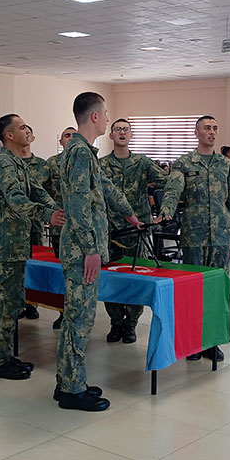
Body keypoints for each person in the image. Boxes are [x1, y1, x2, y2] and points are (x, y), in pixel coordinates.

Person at [57, 92, 139, 411]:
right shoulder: (80, 152)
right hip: (82, 251)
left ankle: (67, 380)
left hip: (80, 248)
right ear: (94, 116)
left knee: (75, 318)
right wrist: (91, 249)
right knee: (80, 319)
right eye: (105, 114)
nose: (106, 119)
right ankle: (72, 390)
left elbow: (104, 186)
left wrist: (129, 213)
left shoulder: (83, 152)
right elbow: (78, 205)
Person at [0, 114, 63, 379]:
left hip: (16, 243)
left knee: (13, 302)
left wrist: (59, 210)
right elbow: (17, 200)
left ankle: (6, 355)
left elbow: (37, 191)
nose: (26, 130)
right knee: (4, 304)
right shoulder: (3, 163)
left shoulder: (18, 162)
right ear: (9, 135)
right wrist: (48, 215)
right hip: (5, 244)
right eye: (21, 127)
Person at [158, 115, 230, 362]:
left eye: (215, 128)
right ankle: (193, 342)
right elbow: (173, 191)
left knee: (217, 290)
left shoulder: (225, 164)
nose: (212, 132)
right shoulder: (184, 163)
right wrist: (166, 211)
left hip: (222, 234)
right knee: (192, 291)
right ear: (196, 133)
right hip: (194, 234)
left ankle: (212, 341)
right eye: (206, 128)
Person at [99, 118, 168, 344]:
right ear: (111, 135)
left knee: (137, 277)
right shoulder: (101, 165)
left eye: (126, 130)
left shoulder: (142, 163)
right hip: (111, 229)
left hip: (138, 230)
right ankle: (116, 321)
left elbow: (166, 181)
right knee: (112, 278)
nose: (122, 133)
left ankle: (131, 323)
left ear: (131, 135)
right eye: (117, 129)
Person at [45, 126, 76, 330]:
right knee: (62, 272)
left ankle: (78, 314)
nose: (71, 138)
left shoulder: (86, 160)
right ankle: (63, 313)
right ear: (61, 142)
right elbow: (41, 190)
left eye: (74, 135)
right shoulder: (51, 164)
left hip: (81, 228)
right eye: (67, 135)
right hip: (59, 227)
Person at [18, 125, 46, 321]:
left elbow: (47, 193)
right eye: (23, 132)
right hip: (15, 224)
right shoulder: (11, 163)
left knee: (34, 264)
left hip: (35, 223)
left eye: (29, 133)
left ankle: (32, 303)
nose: (26, 136)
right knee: (17, 266)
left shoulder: (42, 165)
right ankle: (19, 302)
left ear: (33, 138)